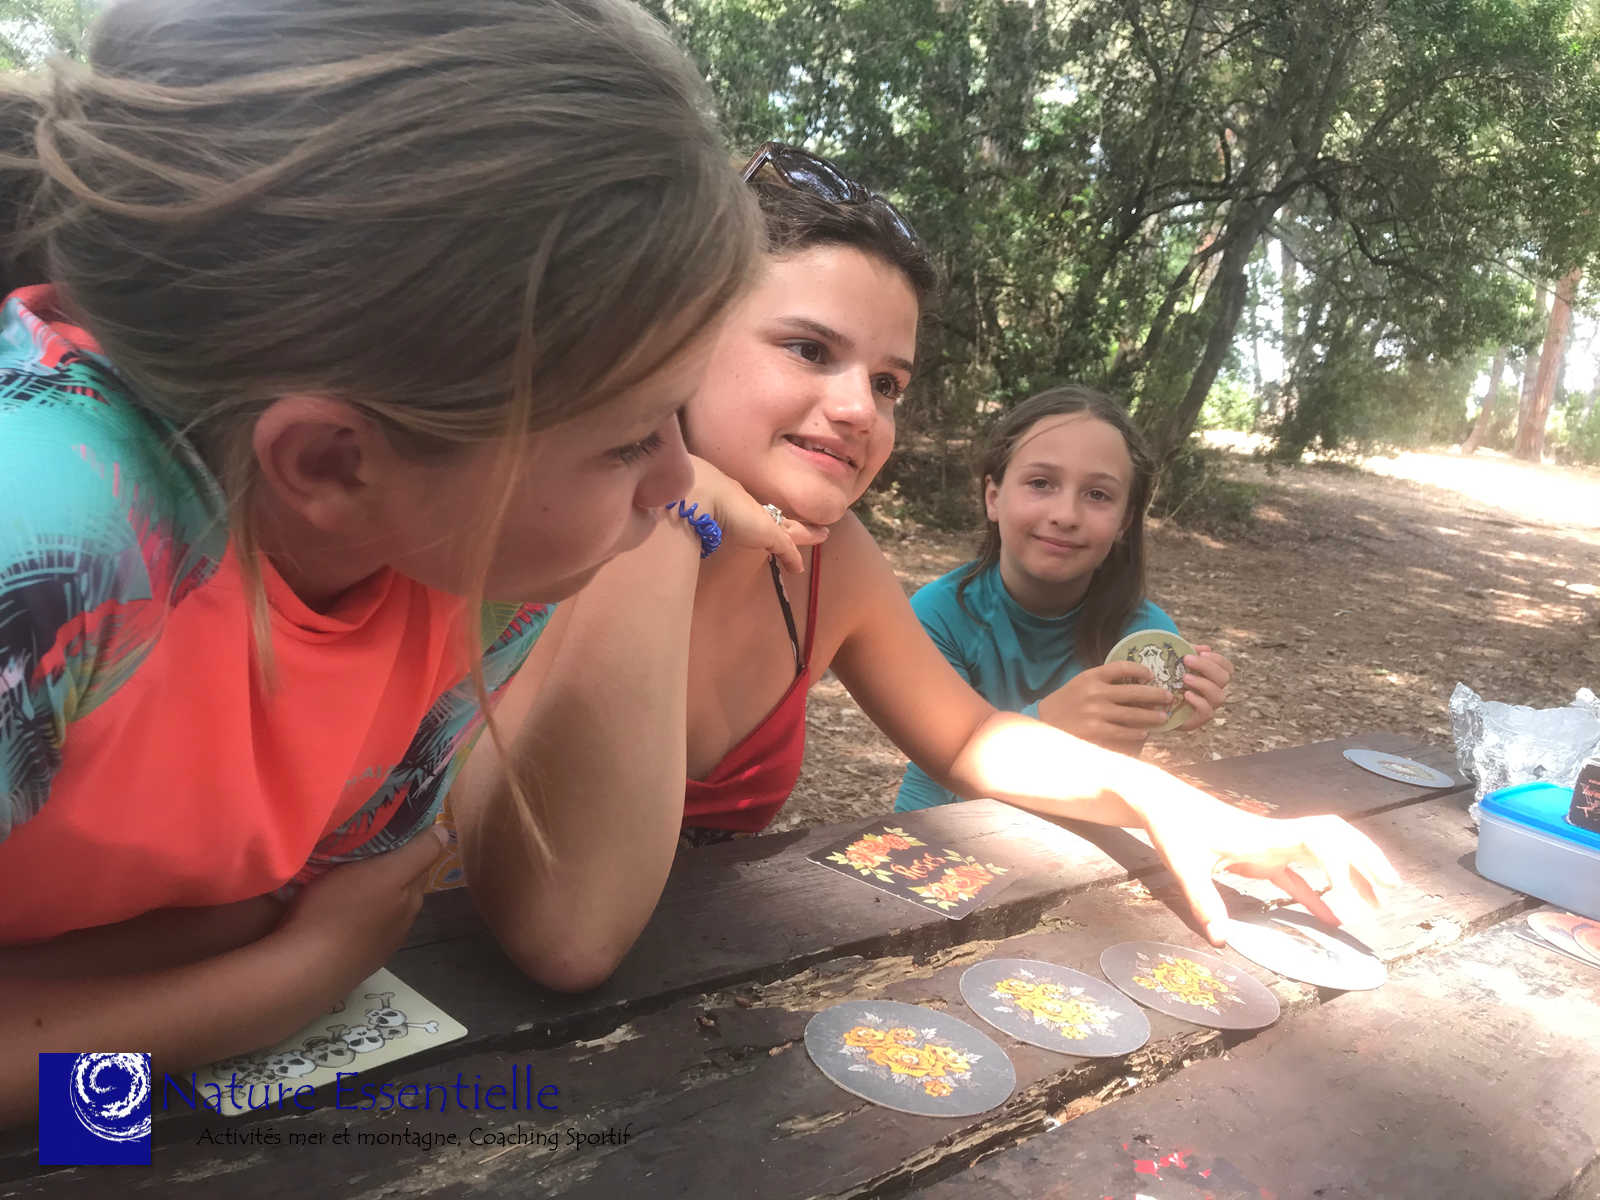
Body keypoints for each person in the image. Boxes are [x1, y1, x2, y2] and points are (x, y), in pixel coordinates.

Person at [0, 0, 805, 1127]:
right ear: (330, 462)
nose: (681, 483)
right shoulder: (47, 546)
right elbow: (299, 943)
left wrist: (181, 983)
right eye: (630, 440)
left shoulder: (478, 573)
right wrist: (274, 988)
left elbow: (287, 907)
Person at [453, 143, 1400, 995]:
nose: (860, 409)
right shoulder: (557, 531)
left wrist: (1178, 808)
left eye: (887, 382)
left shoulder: (832, 562)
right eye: (809, 350)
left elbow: (971, 735)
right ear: (678, 342)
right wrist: (676, 505)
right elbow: (567, 939)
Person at [896, 387, 1235, 812]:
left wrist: (1180, 705)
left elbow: (1107, 787)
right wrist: (1050, 719)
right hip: (935, 826)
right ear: (993, 497)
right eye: (1040, 483)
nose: (1066, 515)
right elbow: (944, 771)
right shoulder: (939, 615)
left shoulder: (1145, 638)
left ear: (1124, 521)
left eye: (1098, 495)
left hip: (1076, 836)